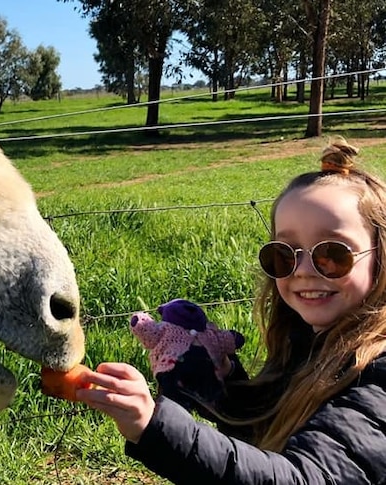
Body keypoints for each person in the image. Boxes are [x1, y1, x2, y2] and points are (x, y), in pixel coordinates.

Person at [76, 137, 386, 484]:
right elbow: (270, 437)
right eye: (284, 253)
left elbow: (304, 477)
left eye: (332, 253)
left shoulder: (379, 375)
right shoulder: (310, 343)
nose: (302, 269)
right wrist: (224, 382)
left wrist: (153, 424)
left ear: (379, 257)